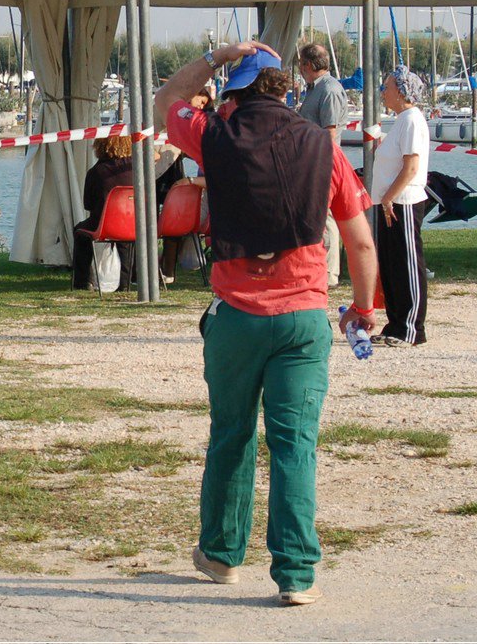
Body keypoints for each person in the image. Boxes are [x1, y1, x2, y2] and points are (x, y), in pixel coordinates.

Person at [154, 40, 379, 607]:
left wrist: (217, 53)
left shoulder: (213, 135)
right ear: (286, 89)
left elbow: (167, 97)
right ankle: (297, 573)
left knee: (232, 433)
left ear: (234, 93)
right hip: (304, 316)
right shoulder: (323, 149)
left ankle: (223, 556)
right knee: (295, 443)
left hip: (236, 315)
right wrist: (365, 308)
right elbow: (359, 241)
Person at [370, 66, 432, 346]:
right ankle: (395, 323)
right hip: (389, 203)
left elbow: (411, 167)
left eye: (387, 88)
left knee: (407, 264)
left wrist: (389, 197)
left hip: (402, 202)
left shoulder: (411, 120)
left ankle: (412, 327)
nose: (383, 93)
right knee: (391, 264)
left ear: (402, 92)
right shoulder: (401, 121)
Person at [296, 43, 349, 288]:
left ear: (307, 65)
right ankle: (318, 267)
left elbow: (329, 132)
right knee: (318, 215)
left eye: (300, 64)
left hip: (323, 162)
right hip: (311, 161)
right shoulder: (313, 89)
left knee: (326, 216)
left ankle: (330, 273)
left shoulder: (329, 90)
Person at [72, 134, 136, 289]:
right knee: (125, 242)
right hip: (132, 223)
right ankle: (125, 283)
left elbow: (88, 205)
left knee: (80, 231)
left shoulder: (96, 172)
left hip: (103, 224)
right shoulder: (135, 169)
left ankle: (84, 281)